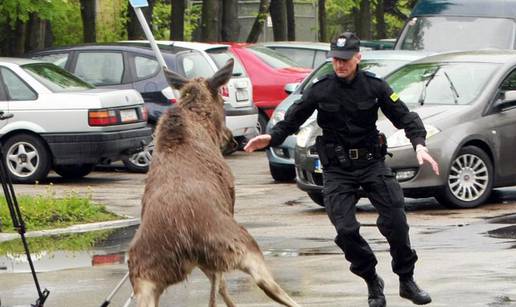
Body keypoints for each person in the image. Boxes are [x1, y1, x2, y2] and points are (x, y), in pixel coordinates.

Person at [244, 32, 439, 307]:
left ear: (358, 58)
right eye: (336, 59)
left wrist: (419, 144)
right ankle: (372, 280)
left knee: (396, 222)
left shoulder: (376, 87)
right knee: (345, 231)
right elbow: (293, 118)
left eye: (346, 60)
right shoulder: (321, 88)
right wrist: (271, 137)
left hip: (372, 164)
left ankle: (406, 280)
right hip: (337, 169)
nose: (340, 65)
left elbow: (405, 117)